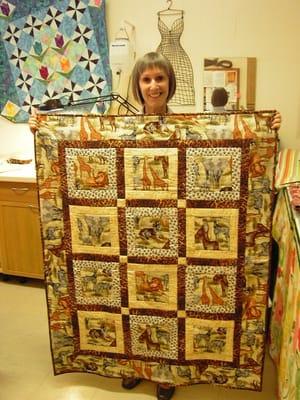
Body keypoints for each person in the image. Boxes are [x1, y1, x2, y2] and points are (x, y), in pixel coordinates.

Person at [29, 51, 282, 400]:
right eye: (146, 79)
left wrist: (266, 130)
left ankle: (167, 375)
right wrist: (42, 128)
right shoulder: (118, 129)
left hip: (175, 243)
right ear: (137, 85)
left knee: (170, 305)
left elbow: (235, 140)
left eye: (159, 79)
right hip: (131, 240)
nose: (153, 86)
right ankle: (135, 365)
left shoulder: (193, 130)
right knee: (134, 305)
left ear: (170, 84)